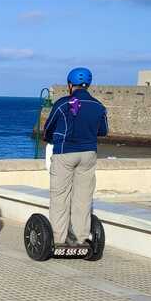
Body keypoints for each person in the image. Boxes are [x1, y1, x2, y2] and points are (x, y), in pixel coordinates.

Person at [43, 67, 108, 246]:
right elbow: (103, 131)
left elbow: (48, 129)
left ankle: (58, 239)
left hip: (65, 153)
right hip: (88, 154)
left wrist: (49, 139)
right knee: (83, 197)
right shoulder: (98, 106)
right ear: (88, 85)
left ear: (70, 85)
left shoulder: (64, 103)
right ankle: (80, 238)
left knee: (60, 196)